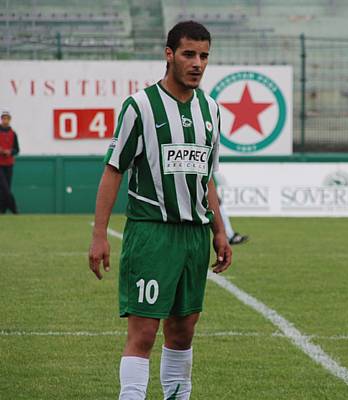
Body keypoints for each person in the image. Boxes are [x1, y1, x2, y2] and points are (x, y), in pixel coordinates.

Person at [88, 21, 232, 400]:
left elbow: (206, 177)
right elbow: (113, 170)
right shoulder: (140, 106)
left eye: (203, 56)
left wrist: (219, 230)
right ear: (169, 55)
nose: (197, 63)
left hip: (195, 236)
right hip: (152, 232)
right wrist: (99, 234)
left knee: (183, 331)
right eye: (189, 54)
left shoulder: (212, 111)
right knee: (144, 333)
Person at [0, 110, 19, 214]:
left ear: (10, 119)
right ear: (1, 119)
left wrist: (10, 151)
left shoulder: (13, 134)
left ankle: (2, 210)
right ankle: (14, 209)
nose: (5, 120)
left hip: (9, 164)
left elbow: (17, 149)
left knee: (6, 189)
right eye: (4, 118)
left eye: (7, 118)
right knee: (5, 188)